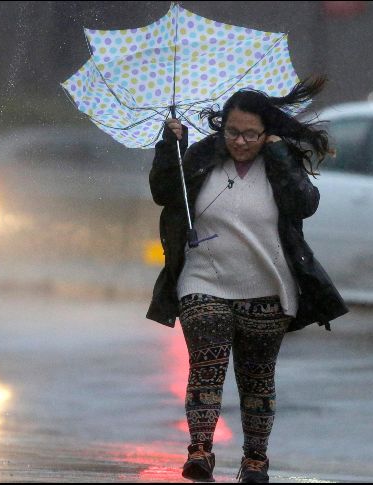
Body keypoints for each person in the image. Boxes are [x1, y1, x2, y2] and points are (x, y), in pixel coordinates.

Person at [147, 76, 348, 483]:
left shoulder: (279, 160)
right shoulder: (203, 156)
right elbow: (165, 192)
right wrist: (171, 146)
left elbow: (304, 205)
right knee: (206, 364)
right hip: (203, 280)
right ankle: (200, 450)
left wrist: (276, 157)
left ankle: (255, 460)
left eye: (251, 134)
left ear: (266, 132)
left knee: (257, 377)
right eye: (233, 131)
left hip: (267, 287)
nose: (240, 141)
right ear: (222, 125)